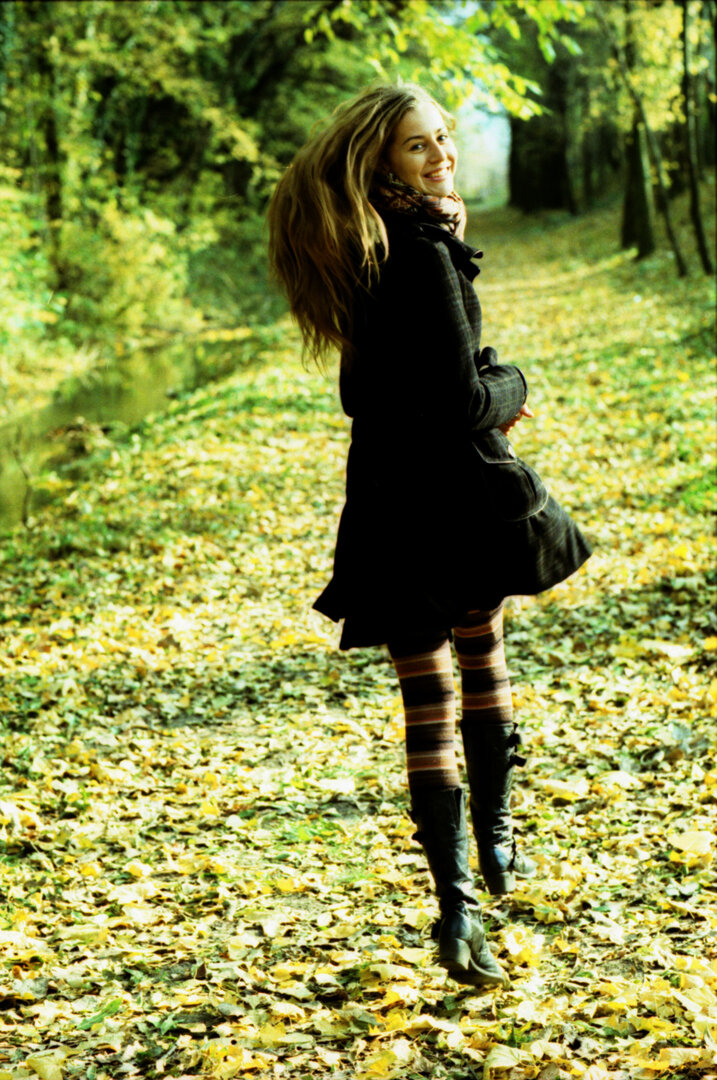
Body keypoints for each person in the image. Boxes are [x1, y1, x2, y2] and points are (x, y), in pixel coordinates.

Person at [268, 83, 591, 988]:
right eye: (418, 145)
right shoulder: (417, 250)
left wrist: (466, 382)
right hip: (454, 499)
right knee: (477, 663)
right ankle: (494, 850)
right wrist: (512, 386)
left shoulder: (360, 246)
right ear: (380, 159)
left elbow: (365, 392)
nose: (440, 154)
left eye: (443, 137)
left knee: (426, 700)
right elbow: (456, 401)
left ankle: (457, 908)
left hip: (386, 502)